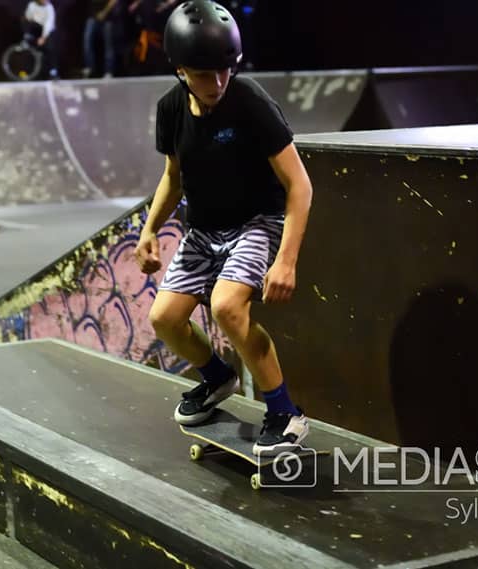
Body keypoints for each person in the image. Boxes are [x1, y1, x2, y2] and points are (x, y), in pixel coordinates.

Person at [134, 0, 314, 456]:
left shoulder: (250, 100)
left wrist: (286, 260)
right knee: (165, 319)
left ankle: (285, 413)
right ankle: (217, 378)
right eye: (202, 74)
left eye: (224, 71)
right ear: (179, 70)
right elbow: (174, 175)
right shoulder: (171, 109)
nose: (216, 84)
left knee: (226, 307)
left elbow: (299, 186)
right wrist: (149, 230)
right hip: (205, 229)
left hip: (257, 221)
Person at [83, 0, 119, 78]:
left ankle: (109, 71)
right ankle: (90, 68)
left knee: (108, 46)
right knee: (87, 42)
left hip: (107, 17)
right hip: (92, 15)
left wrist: (104, 12)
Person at [22, 0, 59, 78]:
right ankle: (27, 73)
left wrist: (43, 37)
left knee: (50, 49)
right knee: (28, 49)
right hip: (36, 29)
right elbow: (28, 17)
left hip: (48, 31)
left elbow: (48, 24)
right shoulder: (32, 5)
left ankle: (53, 72)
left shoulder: (49, 8)